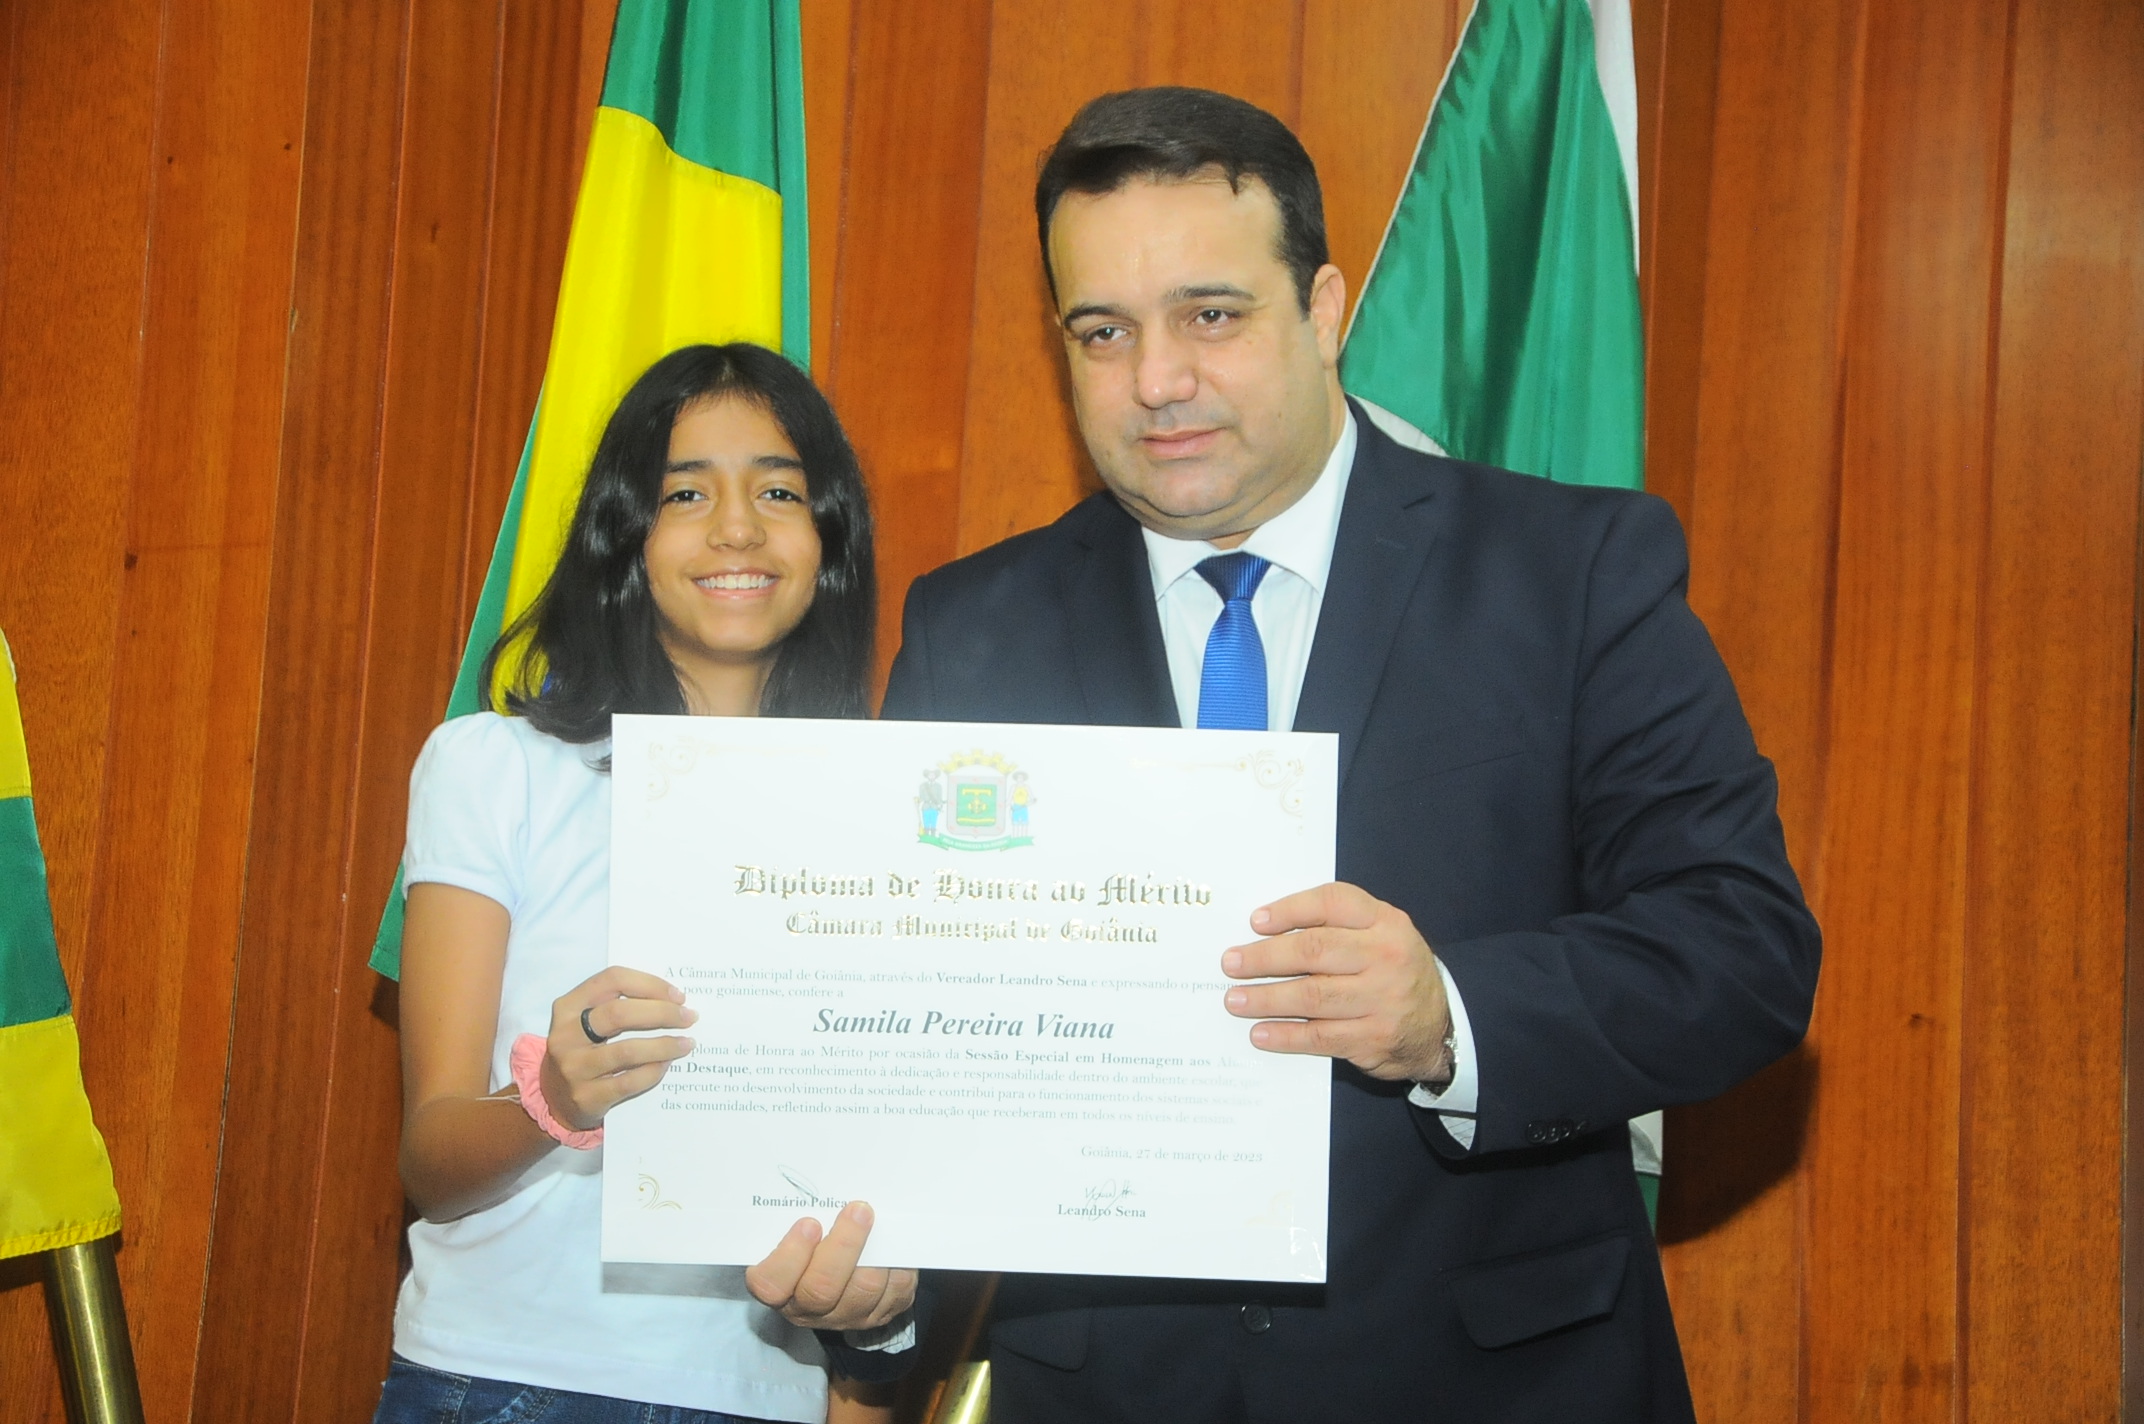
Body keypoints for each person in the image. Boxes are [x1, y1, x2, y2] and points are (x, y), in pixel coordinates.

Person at [879, 88, 1821, 1423]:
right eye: (1104, 331)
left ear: (1322, 311)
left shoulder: (1571, 572)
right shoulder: (972, 624)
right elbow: (918, 1033)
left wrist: (1450, 1013)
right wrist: (878, 1297)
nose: (1157, 380)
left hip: (1500, 1387)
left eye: (1211, 315)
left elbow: (1740, 949)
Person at [379, 344, 919, 1424]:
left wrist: (878, 1316)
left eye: (779, 491)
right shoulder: (495, 766)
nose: (737, 528)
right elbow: (429, 1159)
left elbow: (895, 1180)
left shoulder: (888, 815)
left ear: (830, 540)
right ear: (625, 533)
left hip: (765, 1393)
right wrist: (553, 1096)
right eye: (686, 493)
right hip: (507, 1377)